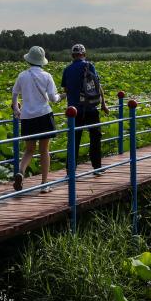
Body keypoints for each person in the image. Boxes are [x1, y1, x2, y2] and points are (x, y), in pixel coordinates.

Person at [11, 46, 60, 193]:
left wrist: (17, 109)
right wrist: (61, 97)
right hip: (44, 115)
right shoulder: (47, 76)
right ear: (42, 61)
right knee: (44, 150)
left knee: (29, 150)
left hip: (27, 117)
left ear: (29, 60)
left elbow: (14, 94)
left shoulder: (22, 76)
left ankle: (20, 171)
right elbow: (53, 98)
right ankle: (44, 184)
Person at [60, 44, 108, 173]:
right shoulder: (89, 66)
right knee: (95, 138)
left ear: (72, 56)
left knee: (73, 140)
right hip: (90, 107)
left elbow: (66, 89)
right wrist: (103, 103)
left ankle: (70, 170)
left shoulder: (67, 70)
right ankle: (97, 167)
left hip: (74, 111)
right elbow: (97, 85)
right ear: (84, 54)